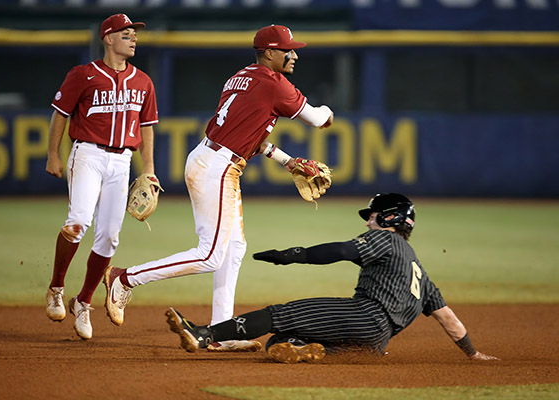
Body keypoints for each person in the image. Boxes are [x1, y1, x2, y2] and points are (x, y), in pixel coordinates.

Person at [103, 24, 334, 352]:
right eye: (288, 50)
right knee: (210, 255)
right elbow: (317, 119)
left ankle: (223, 333)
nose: (294, 55)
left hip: (211, 158)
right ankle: (124, 278)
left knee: (234, 249)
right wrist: (328, 112)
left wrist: (285, 159)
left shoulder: (241, 77)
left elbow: (248, 132)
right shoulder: (274, 83)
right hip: (218, 168)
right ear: (269, 52)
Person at [165, 193, 500, 364]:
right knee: (278, 343)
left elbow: (342, 250)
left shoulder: (387, 239)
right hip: (375, 343)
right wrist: (472, 354)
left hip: (365, 316)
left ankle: (204, 335)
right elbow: (448, 318)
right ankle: (308, 350)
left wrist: (294, 255)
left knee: (282, 314)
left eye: (371, 216)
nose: (368, 222)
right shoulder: (421, 274)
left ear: (389, 217)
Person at [44, 13, 158, 340]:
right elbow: (60, 115)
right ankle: (56, 288)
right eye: (126, 34)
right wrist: (54, 154)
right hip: (88, 154)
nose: (133, 38)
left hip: (122, 161)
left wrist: (148, 170)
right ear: (107, 38)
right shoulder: (83, 75)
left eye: (134, 34)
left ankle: (83, 302)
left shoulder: (143, 81)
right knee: (78, 222)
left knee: (109, 236)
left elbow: (147, 127)